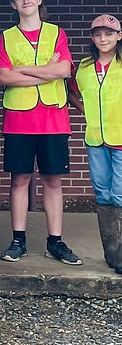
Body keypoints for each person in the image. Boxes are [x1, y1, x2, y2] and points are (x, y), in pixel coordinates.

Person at [0, 0, 81, 266]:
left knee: (53, 181)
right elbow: (4, 77)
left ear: (40, 0)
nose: (26, 1)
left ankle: (55, 241)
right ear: (13, 5)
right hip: (19, 119)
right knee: (19, 180)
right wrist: (47, 71)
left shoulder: (57, 33)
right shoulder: (6, 37)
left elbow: (64, 69)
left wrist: (25, 69)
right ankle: (18, 239)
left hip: (54, 118)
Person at [69, 14, 122, 274]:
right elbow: (72, 92)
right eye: (99, 34)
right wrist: (87, 112)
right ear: (92, 37)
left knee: (120, 194)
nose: (104, 38)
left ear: (119, 36)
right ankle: (112, 253)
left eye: (109, 33)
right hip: (95, 139)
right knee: (102, 193)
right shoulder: (85, 66)